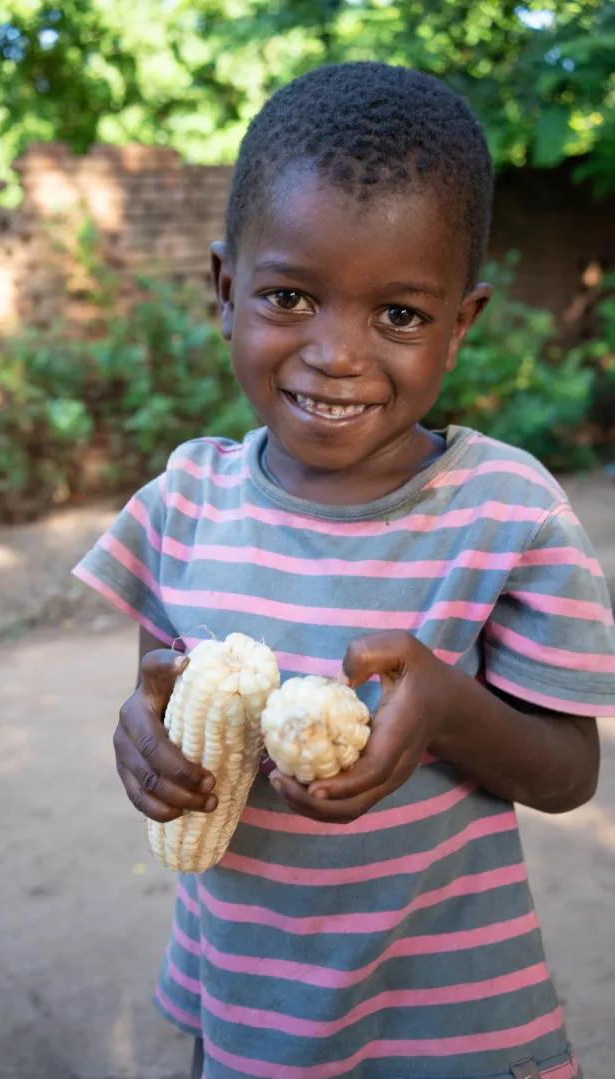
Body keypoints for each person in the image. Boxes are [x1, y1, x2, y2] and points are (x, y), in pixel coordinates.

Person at [73, 62, 615, 1079]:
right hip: (247, 992)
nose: (337, 353)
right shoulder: (183, 503)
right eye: (290, 295)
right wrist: (143, 738)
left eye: (399, 314)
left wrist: (449, 709)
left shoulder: (507, 512)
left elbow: (570, 773)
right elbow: (159, 684)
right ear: (225, 287)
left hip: (453, 1014)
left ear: (461, 323)